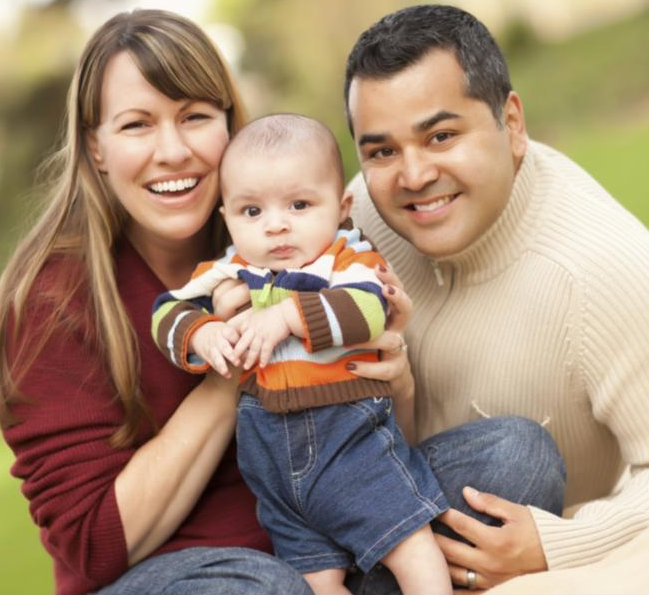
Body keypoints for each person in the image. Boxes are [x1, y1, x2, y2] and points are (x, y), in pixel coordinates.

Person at [0, 7, 565, 595]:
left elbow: (375, 446)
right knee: (263, 586)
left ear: (229, 124)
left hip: (330, 528)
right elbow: (92, 549)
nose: (172, 150)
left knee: (514, 456)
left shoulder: (297, 236)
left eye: (194, 116)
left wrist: (394, 382)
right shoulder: (47, 301)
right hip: (194, 577)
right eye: (137, 125)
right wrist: (243, 356)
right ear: (95, 147)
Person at [344, 4, 649, 593]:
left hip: (482, 526)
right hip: (367, 512)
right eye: (382, 151)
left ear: (511, 123)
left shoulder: (603, 269)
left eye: (441, 136)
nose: (413, 176)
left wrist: (559, 543)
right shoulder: (359, 220)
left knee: (517, 455)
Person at [152, 113, 453, 595]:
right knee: (312, 578)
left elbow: (369, 309)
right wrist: (202, 333)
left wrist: (288, 316)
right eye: (252, 211)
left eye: (299, 205)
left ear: (340, 207)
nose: (276, 226)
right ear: (227, 218)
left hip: (351, 445)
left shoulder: (345, 258)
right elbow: (166, 311)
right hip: (272, 468)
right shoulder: (232, 269)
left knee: (409, 541)